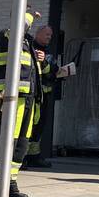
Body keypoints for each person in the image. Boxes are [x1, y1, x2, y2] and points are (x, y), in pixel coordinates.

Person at [0, 10, 41, 197]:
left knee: (21, 145)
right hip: (10, 99)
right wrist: (29, 14)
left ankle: (10, 183)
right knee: (6, 142)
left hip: (28, 99)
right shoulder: (6, 35)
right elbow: (19, 28)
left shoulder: (28, 41)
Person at [24, 24, 56, 169]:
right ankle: (22, 157)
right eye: (47, 34)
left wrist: (59, 72)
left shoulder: (48, 52)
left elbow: (52, 71)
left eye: (51, 35)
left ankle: (34, 156)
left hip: (45, 96)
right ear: (38, 34)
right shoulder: (30, 48)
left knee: (40, 126)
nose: (49, 37)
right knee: (29, 125)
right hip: (33, 95)